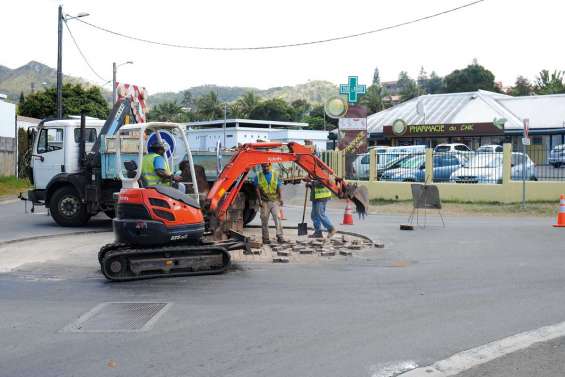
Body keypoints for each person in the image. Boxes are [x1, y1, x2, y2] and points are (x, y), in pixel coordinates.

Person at [254, 163, 284, 244]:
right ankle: (265, 238)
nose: (266, 168)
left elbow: (279, 187)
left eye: (267, 166)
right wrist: (259, 200)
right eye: (264, 166)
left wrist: (280, 198)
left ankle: (280, 236)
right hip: (264, 202)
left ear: (270, 165)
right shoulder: (258, 176)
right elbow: (257, 189)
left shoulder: (275, 174)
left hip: (274, 201)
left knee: (277, 218)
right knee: (264, 220)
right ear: (261, 167)